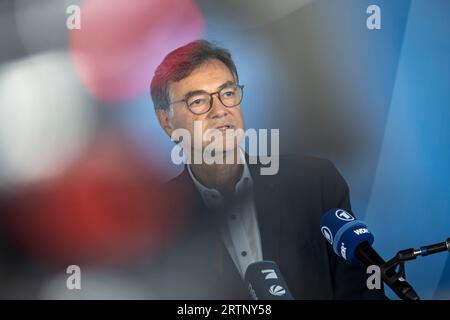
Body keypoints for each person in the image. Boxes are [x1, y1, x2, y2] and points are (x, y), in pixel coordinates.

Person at [149, 39, 385, 299]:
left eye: (227, 94)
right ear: (167, 122)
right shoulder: (157, 221)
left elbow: (363, 290)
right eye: (198, 101)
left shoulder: (315, 182)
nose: (220, 111)